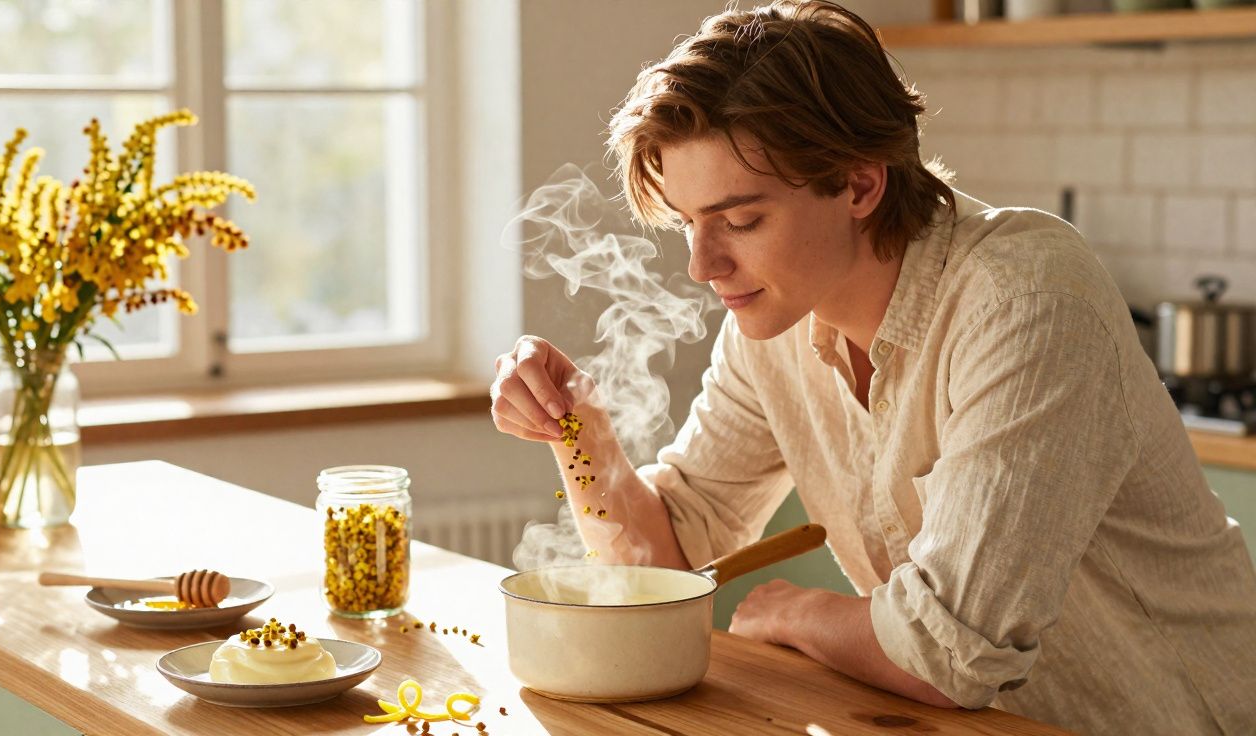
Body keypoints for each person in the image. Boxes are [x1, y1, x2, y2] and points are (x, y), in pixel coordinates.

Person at [489, 2, 1256, 733]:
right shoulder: (777, 325)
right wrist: (578, 434)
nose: (701, 264)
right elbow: (665, 566)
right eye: (689, 224)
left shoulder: (1026, 297)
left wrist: (797, 612)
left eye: (742, 220)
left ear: (860, 183)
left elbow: (947, 652)